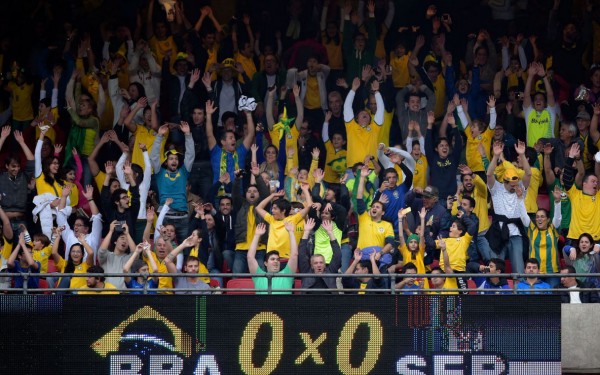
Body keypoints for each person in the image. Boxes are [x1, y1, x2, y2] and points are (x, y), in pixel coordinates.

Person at [486, 141, 530, 275]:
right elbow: (489, 174)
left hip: (516, 233)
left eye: (516, 184)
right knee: (495, 268)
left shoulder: (520, 189)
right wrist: (495, 157)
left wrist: (522, 155)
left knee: (518, 268)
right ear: (504, 181)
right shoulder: (496, 188)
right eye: (511, 184)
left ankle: (518, 294)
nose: (514, 187)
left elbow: (528, 175)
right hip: (498, 231)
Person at [150, 121, 195, 243]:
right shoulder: (160, 173)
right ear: (165, 162)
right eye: (170, 159)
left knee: (184, 250)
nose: (174, 160)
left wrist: (188, 135)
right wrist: (159, 136)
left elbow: (190, 155)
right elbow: (154, 157)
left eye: (176, 158)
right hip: (166, 218)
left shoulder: (184, 172)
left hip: (183, 218)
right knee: (165, 249)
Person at [518, 186, 562, 287]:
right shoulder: (531, 229)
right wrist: (520, 198)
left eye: (542, 217)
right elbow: (524, 216)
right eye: (537, 217)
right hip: (535, 273)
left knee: (552, 300)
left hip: (552, 272)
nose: (539, 219)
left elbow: (558, 217)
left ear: (548, 219)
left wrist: (557, 201)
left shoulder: (553, 229)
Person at [255, 185, 312, 261]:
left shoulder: (293, 219)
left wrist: (305, 190)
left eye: (275, 209)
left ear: (283, 210)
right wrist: (272, 195)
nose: (272, 211)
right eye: (272, 208)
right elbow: (258, 208)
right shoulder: (271, 219)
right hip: (271, 259)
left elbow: (309, 206)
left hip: (286, 259)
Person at [355, 164, 394, 271]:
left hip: (379, 256)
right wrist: (362, 177)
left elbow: (390, 244)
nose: (374, 208)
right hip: (363, 258)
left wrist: (380, 254)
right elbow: (359, 197)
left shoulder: (387, 225)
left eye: (377, 207)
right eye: (372, 206)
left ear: (382, 213)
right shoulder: (364, 218)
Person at [0, 127, 34, 235]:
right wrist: (2, 138)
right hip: (4, 221)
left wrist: (22, 142)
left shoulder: (24, 176)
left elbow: (32, 161)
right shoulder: (1, 176)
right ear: (6, 166)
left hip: (21, 221)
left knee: (23, 250)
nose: (16, 169)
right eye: (13, 167)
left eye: (18, 166)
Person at [248, 222, 298, 294]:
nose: (276, 261)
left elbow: (294, 255)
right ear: (265, 263)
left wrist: (291, 232)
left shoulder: (287, 274)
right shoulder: (259, 275)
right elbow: (250, 257)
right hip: (263, 305)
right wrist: (257, 235)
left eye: (278, 259)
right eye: (272, 259)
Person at [344, 78, 384, 169]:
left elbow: (380, 109)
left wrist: (377, 92)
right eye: (362, 114)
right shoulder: (351, 126)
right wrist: (353, 89)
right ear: (357, 119)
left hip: (371, 169)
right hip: (352, 168)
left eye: (367, 114)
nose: (365, 113)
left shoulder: (374, 128)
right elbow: (347, 107)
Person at [298, 218, 341, 292]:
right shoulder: (306, 272)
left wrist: (330, 232)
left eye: (321, 262)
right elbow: (301, 254)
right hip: (308, 302)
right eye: (315, 263)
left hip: (329, 302)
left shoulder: (331, 271)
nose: (319, 265)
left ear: (325, 264)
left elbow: (337, 254)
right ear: (311, 265)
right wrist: (306, 232)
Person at [98, 221, 136, 290]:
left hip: (123, 295)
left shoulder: (128, 258)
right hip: (107, 294)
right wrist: (110, 231)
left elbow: (135, 253)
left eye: (127, 240)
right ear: (115, 241)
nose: (125, 241)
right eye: (122, 238)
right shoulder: (107, 256)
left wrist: (127, 234)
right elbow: (101, 251)